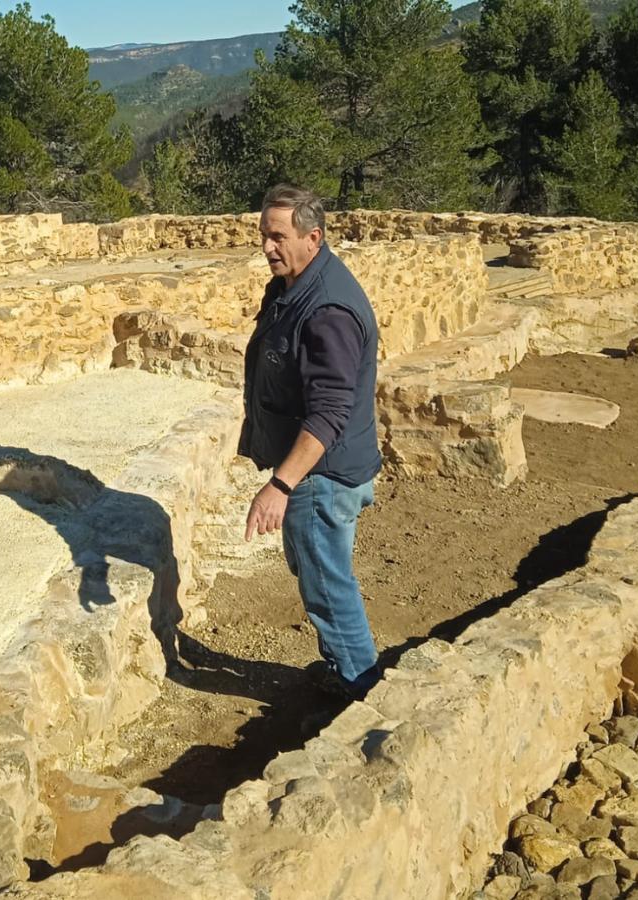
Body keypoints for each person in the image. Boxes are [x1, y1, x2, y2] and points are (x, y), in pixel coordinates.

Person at [240, 183, 383, 700]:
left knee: (325, 582)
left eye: (277, 236)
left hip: (323, 475)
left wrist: (280, 484)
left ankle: (359, 691)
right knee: (316, 566)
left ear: (312, 237)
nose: (267, 247)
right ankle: (346, 667)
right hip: (323, 470)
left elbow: (329, 412)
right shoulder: (293, 284)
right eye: (263, 235)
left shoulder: (327, 309)